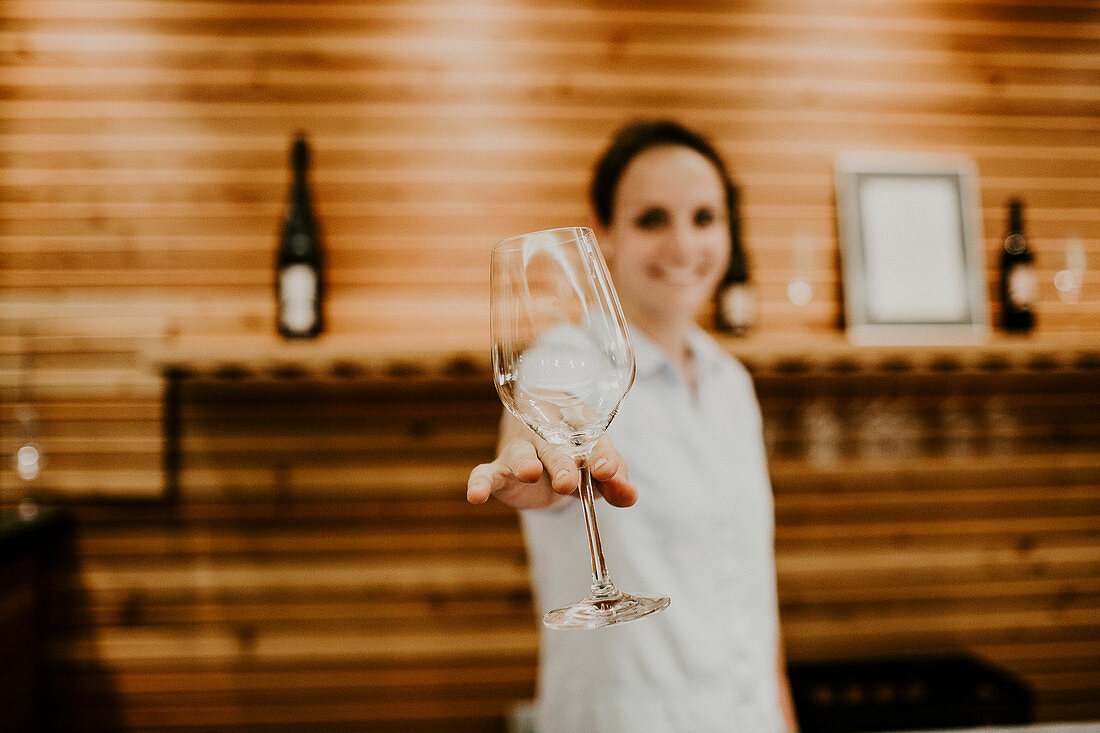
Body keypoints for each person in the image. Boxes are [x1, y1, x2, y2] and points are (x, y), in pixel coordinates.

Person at [467, 119, 799, 732]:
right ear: (605, 235)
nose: (683, 245)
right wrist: (537, 464)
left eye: (705, 217)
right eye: (652, 219)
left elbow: (752, 598)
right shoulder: (567, 359)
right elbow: (538, 431)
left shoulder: (731, 383)